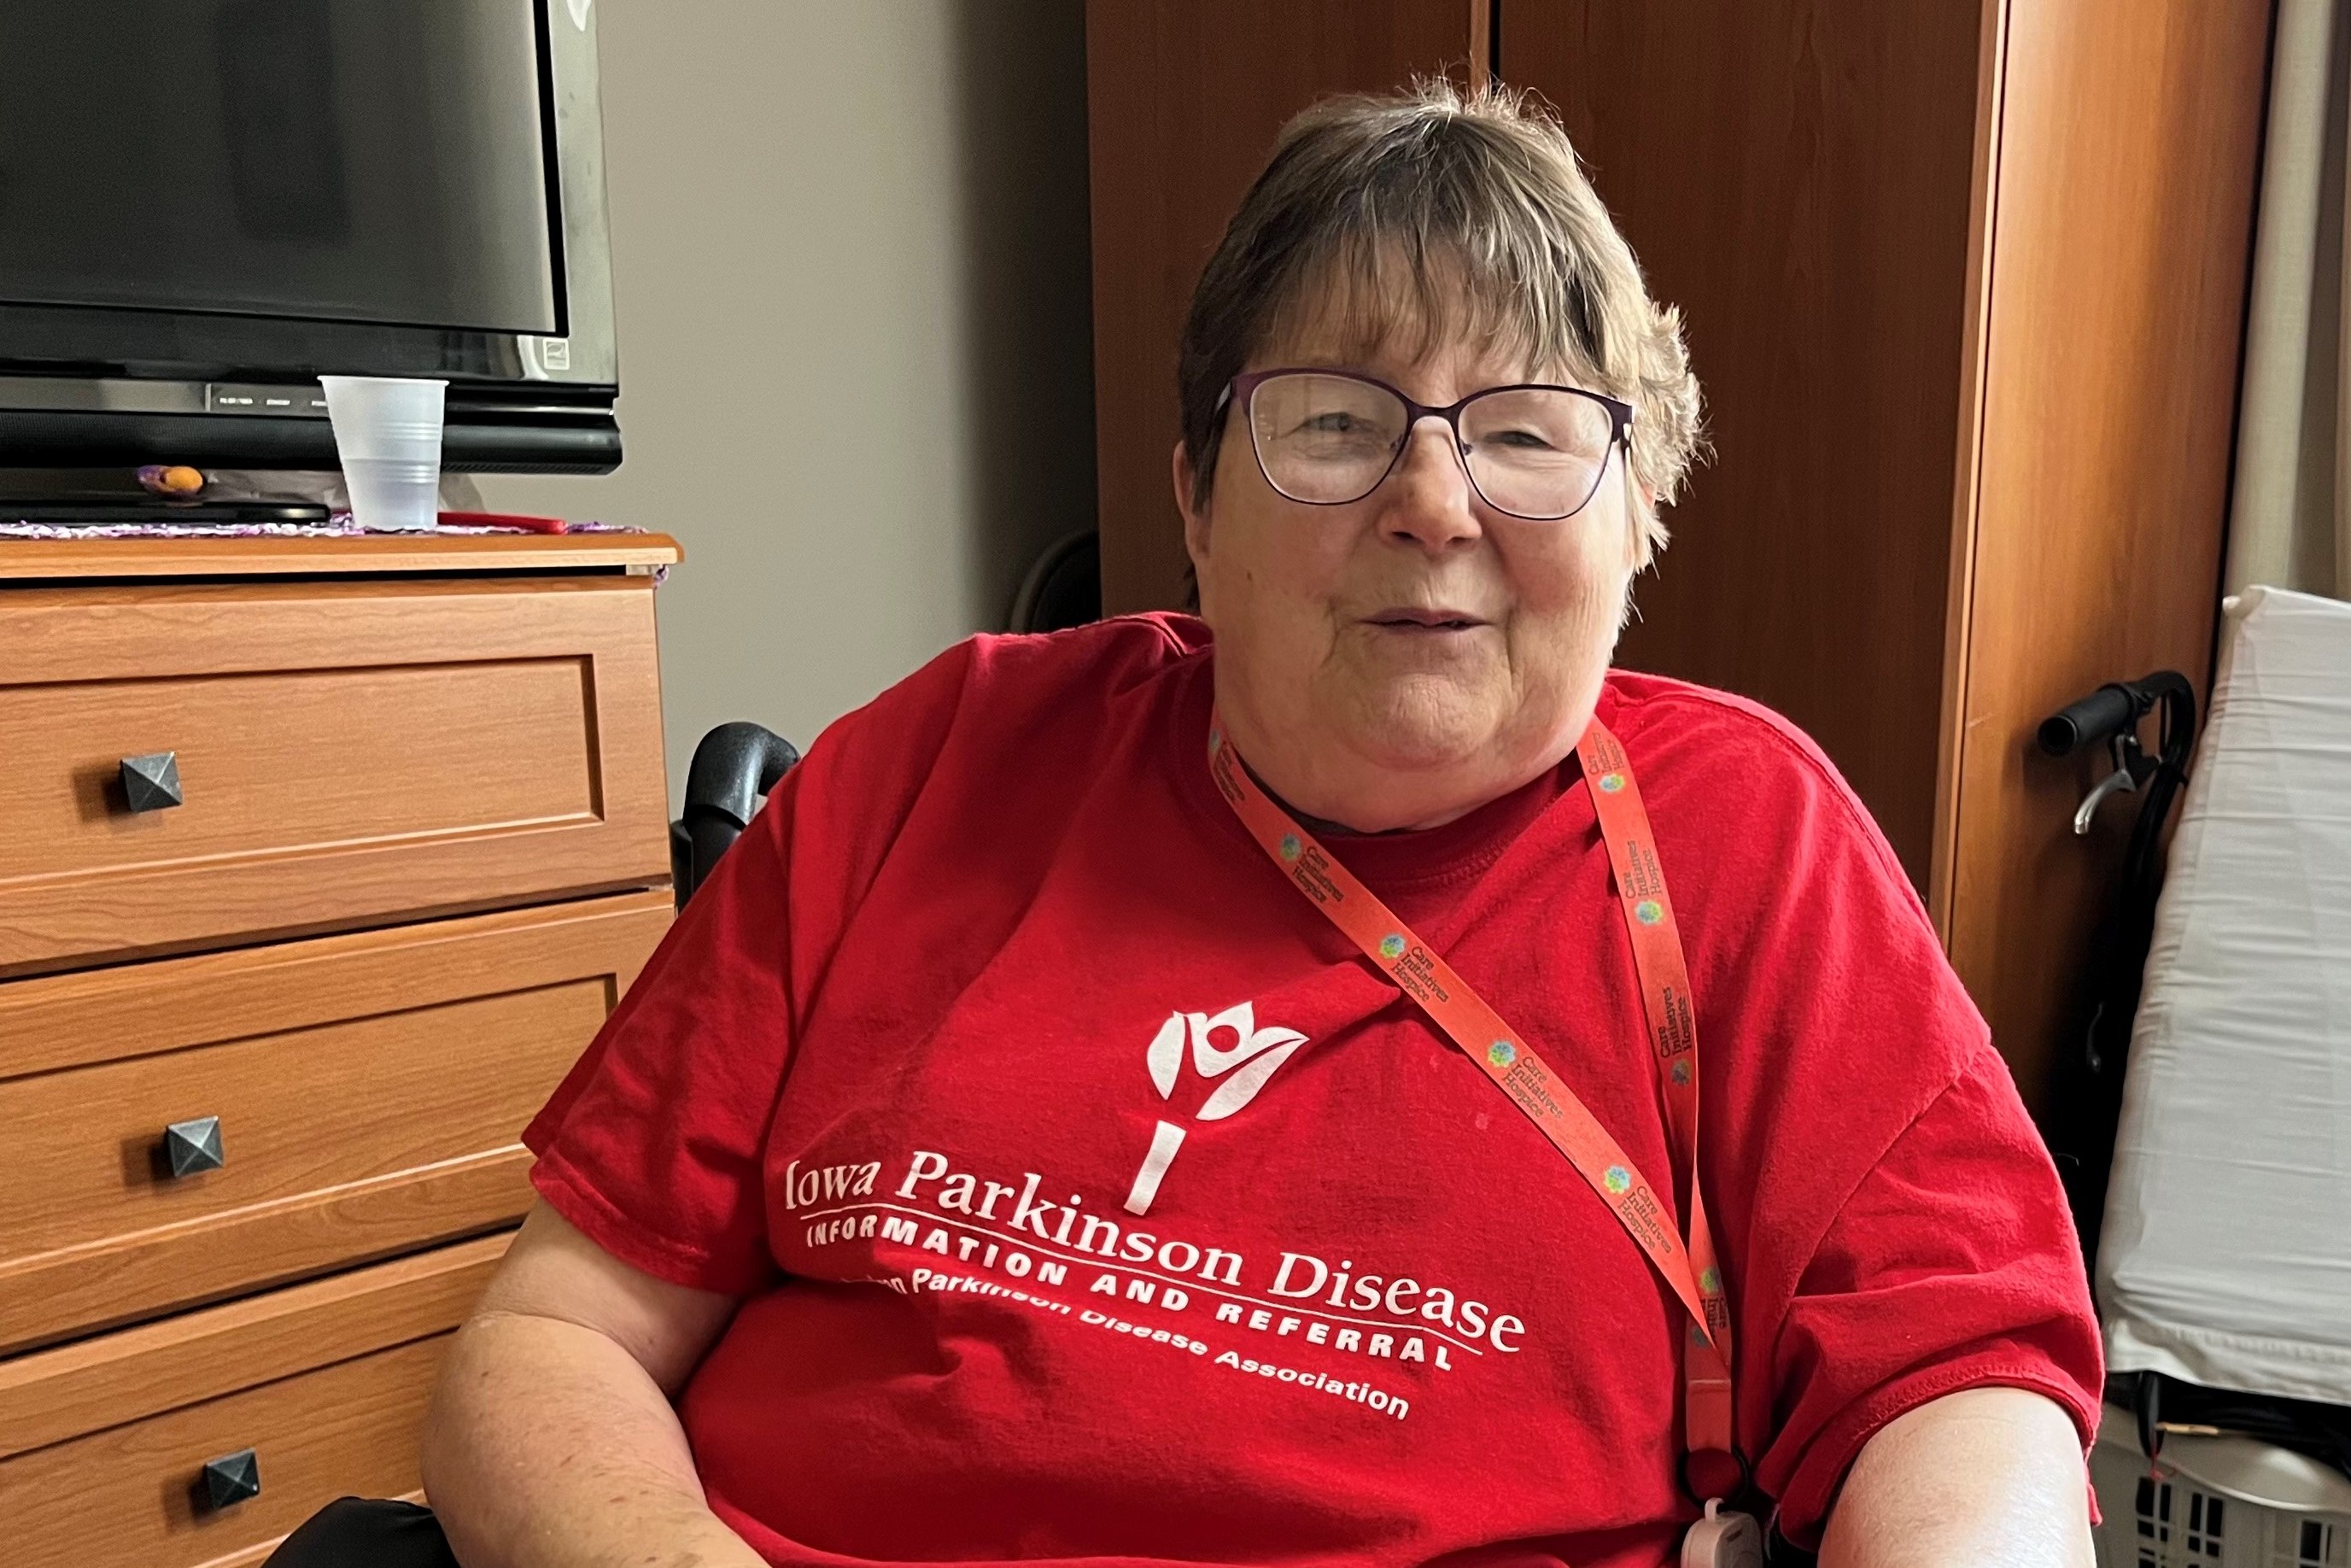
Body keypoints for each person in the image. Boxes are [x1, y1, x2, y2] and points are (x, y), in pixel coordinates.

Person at [272, 81, 2101, 1568]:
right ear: (1194, 500)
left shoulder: (1748, 838)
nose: (1432, 502)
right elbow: (554, 1337)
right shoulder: (946, 756)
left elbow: (1965, 1396)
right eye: (1331, 423)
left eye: (1533, 435)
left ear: (1640, 514)